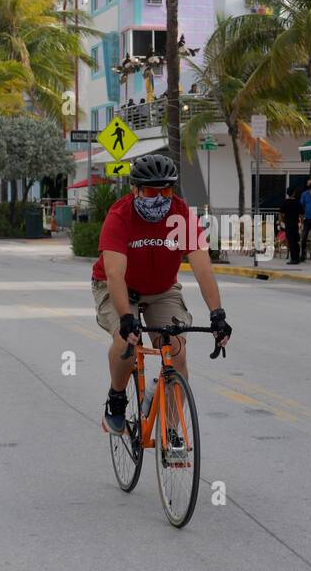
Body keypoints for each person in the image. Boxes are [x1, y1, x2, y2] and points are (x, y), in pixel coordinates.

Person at [91, 153, 231, 440]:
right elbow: (115, 274)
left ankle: (171, 433)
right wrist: (127, 318)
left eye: (165, 190)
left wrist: (218, 314)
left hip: (162, 289)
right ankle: (117, 398)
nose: (159, 197)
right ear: (135, 190)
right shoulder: (120, 216)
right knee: (126, 340)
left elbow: (203, 268)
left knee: (176, 350)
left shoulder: (180, 214)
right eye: (151, 191)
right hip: (117, 286)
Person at [279, 185, 302, 265]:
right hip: (295, 224)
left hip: (288, 224)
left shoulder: (285, 202)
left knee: (291, 241)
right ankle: (297, 257)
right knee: (296, 241)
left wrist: (282, 221)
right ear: (294, 193)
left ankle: (293, 259)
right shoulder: (298, 202)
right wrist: (301, 222)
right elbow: (301, 214)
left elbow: (281, 213)